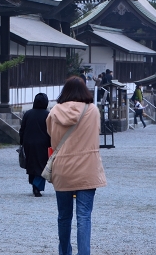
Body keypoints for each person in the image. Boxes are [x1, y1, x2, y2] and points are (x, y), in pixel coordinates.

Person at [46, 76, 107, 255]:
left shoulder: (55, 111)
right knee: (84, 216)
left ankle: (64, 252)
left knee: (64, 217)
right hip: (87, 169)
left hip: (63, 169)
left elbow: (52, 137)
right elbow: (96, 133)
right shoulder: (93, 111)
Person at [19, 93, 52, 197]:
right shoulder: (48, 114)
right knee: (42, 165)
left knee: (31, 164)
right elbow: (51, 131)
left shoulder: (28, 114)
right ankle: (37, 186)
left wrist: (22, 142)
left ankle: (34, 184)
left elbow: (22, 129)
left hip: (28, 142)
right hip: (43, 143)